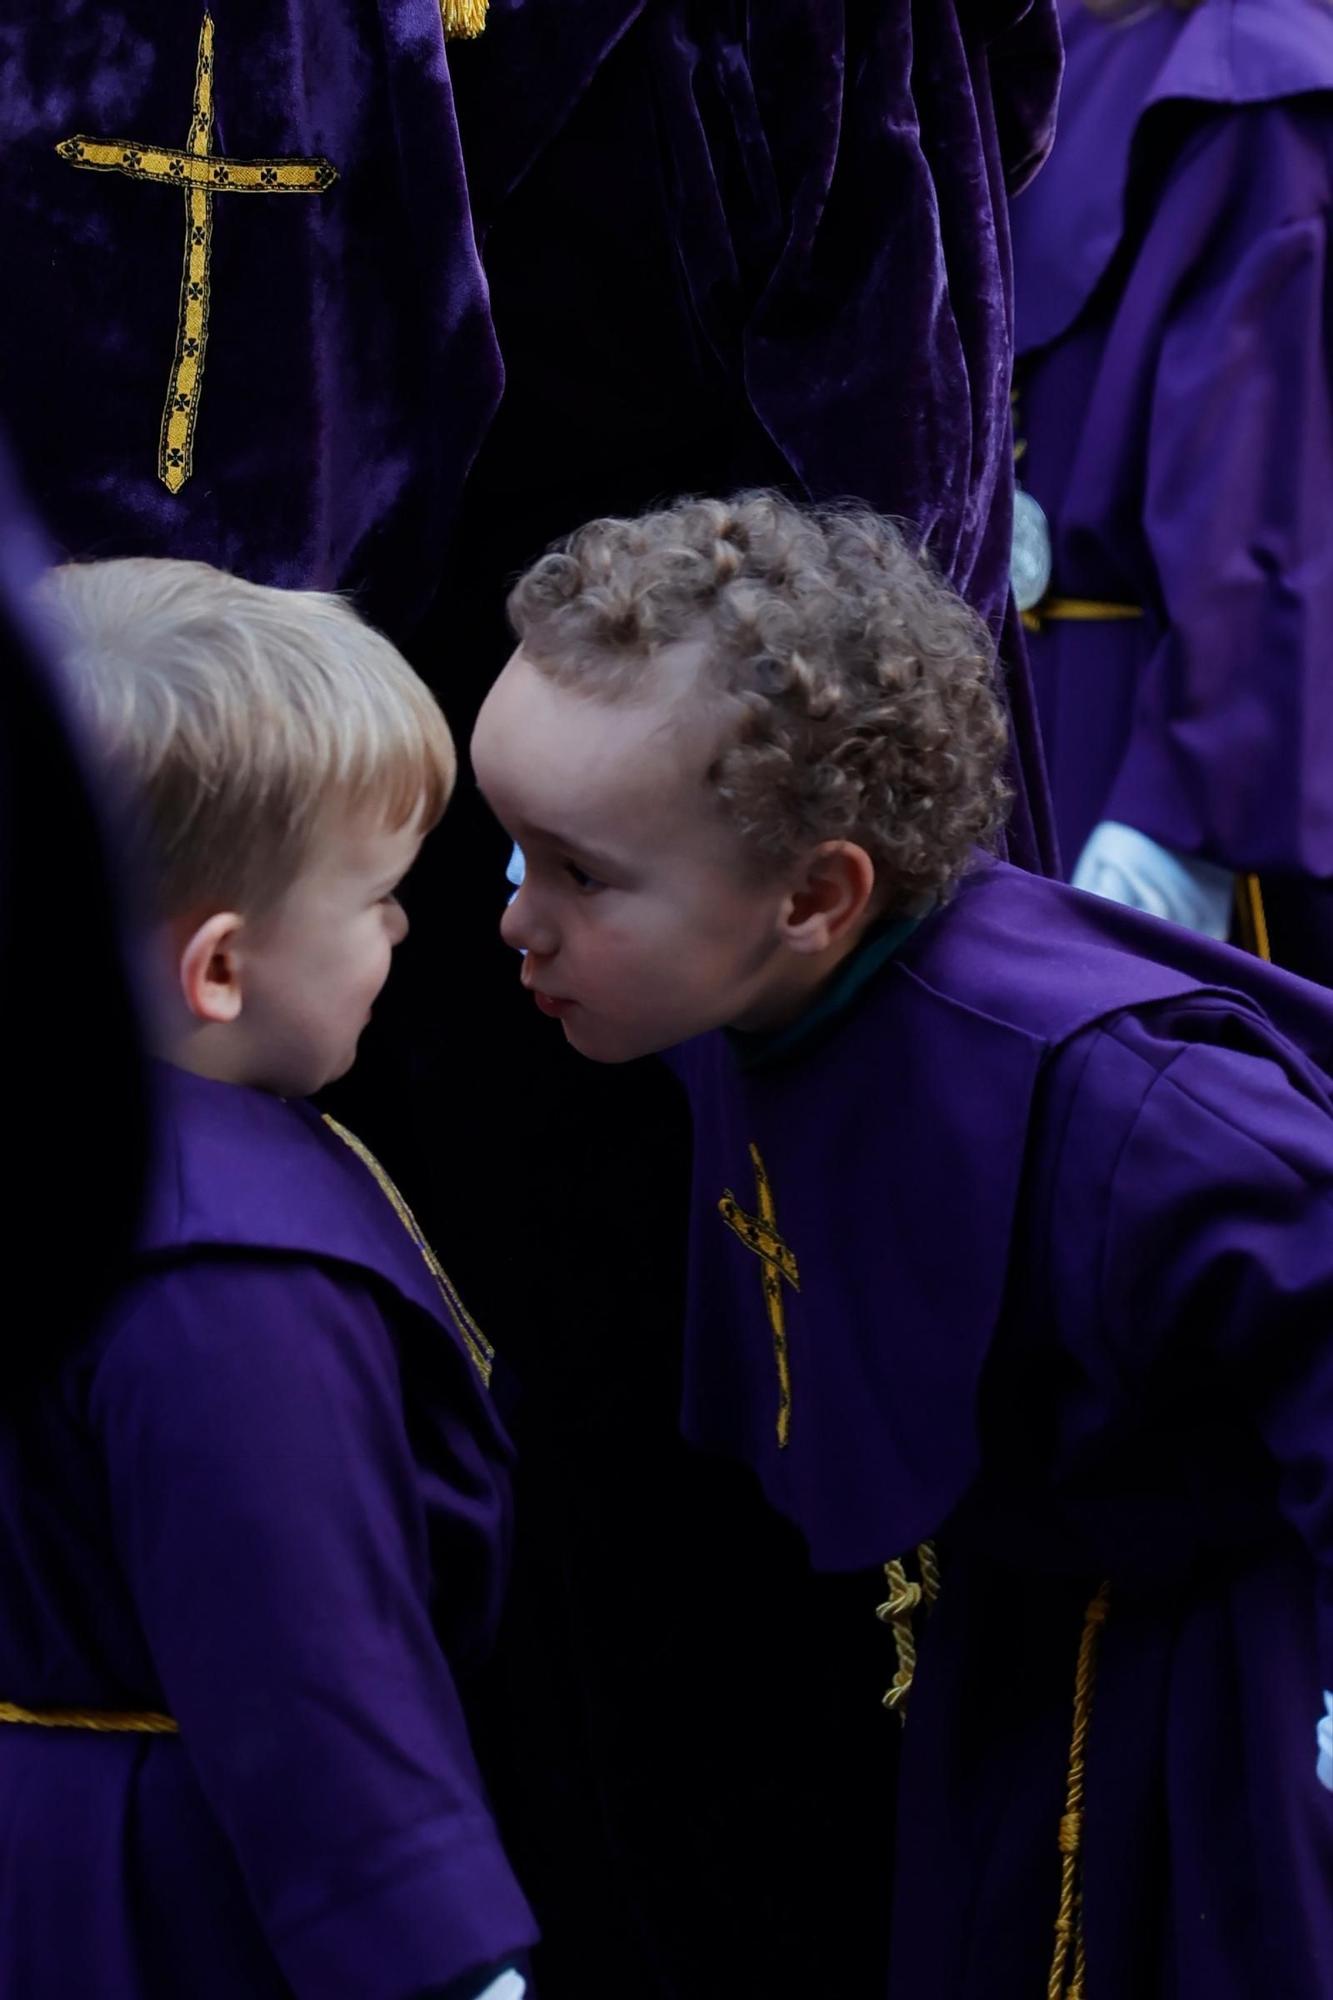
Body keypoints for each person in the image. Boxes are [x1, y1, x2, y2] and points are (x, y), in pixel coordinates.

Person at [473, 492, 1333, 1998]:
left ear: (817, 895)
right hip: (1016, 1625)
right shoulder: (729, 977)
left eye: (577, 872)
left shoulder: (1113, 1101)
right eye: (514, 857)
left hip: (1207, 1678)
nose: (516, 925)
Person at [0, 557, 536, 2000]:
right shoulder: (222, 1279)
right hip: (173, 1906)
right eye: (374, 896)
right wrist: (447, 1966)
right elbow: (309, 1671)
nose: (403, 932)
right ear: (221, 970)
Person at [1010, 0, 1333, 978]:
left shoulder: (1263, 94)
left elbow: (1261, 493)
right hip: (1003, 698)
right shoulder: (1036, 39)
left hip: (1155, 723)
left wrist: (1182, 809)